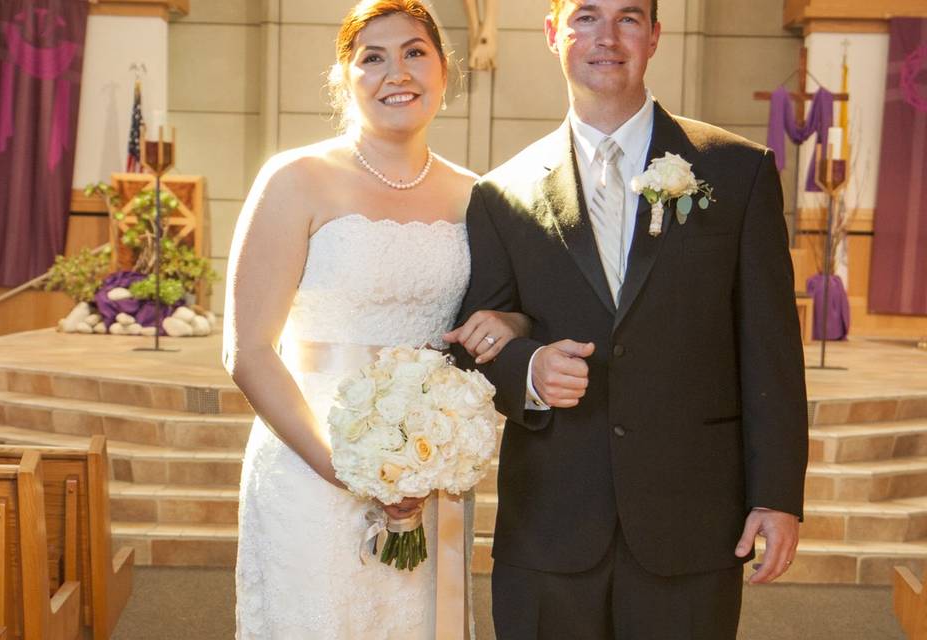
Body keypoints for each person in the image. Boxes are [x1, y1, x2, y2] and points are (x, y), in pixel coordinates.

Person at [447, 0, 809, 638]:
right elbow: (473, 342)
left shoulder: (737, 170)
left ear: (655, 36)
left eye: (628, 19)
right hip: (551, 524)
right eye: (585, 17)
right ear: (554, 32)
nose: (605, 38)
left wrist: (776, 494)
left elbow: (770, 349)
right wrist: (527, 369)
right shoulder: (501, 194)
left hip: (690, 519)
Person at [222, 1, 527, 637]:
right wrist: (347, 468)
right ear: (345, 77)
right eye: (373, 58)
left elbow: (509, 314)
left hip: (428, 467)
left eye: (415, 52)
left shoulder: (480, 196)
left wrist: (511, 324)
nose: (398, 73)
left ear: (445, 72)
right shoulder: (296, 179)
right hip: (312, 463)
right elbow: (248, 350)